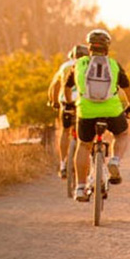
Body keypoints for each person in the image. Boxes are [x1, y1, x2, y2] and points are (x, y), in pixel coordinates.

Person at [64, 29, 130, 202]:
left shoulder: (79, 64)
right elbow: (128, 89)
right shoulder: (114, 65)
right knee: (122, 134)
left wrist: (69, 104)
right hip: (112, 111)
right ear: (107, 47)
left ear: (89, 47)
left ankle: (81, 188)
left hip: (86, 111)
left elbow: (67, 88)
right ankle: (115, 160)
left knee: (84, 145)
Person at [47, 44, 89, 179]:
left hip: (66, 101)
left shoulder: (65, 66)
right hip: (84, 103)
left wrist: (53, 102)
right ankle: (90, 164)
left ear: (72, 55)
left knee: (65, 131)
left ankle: (63, 163)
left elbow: (55, 86)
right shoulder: (89, 64)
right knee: (86, 136)